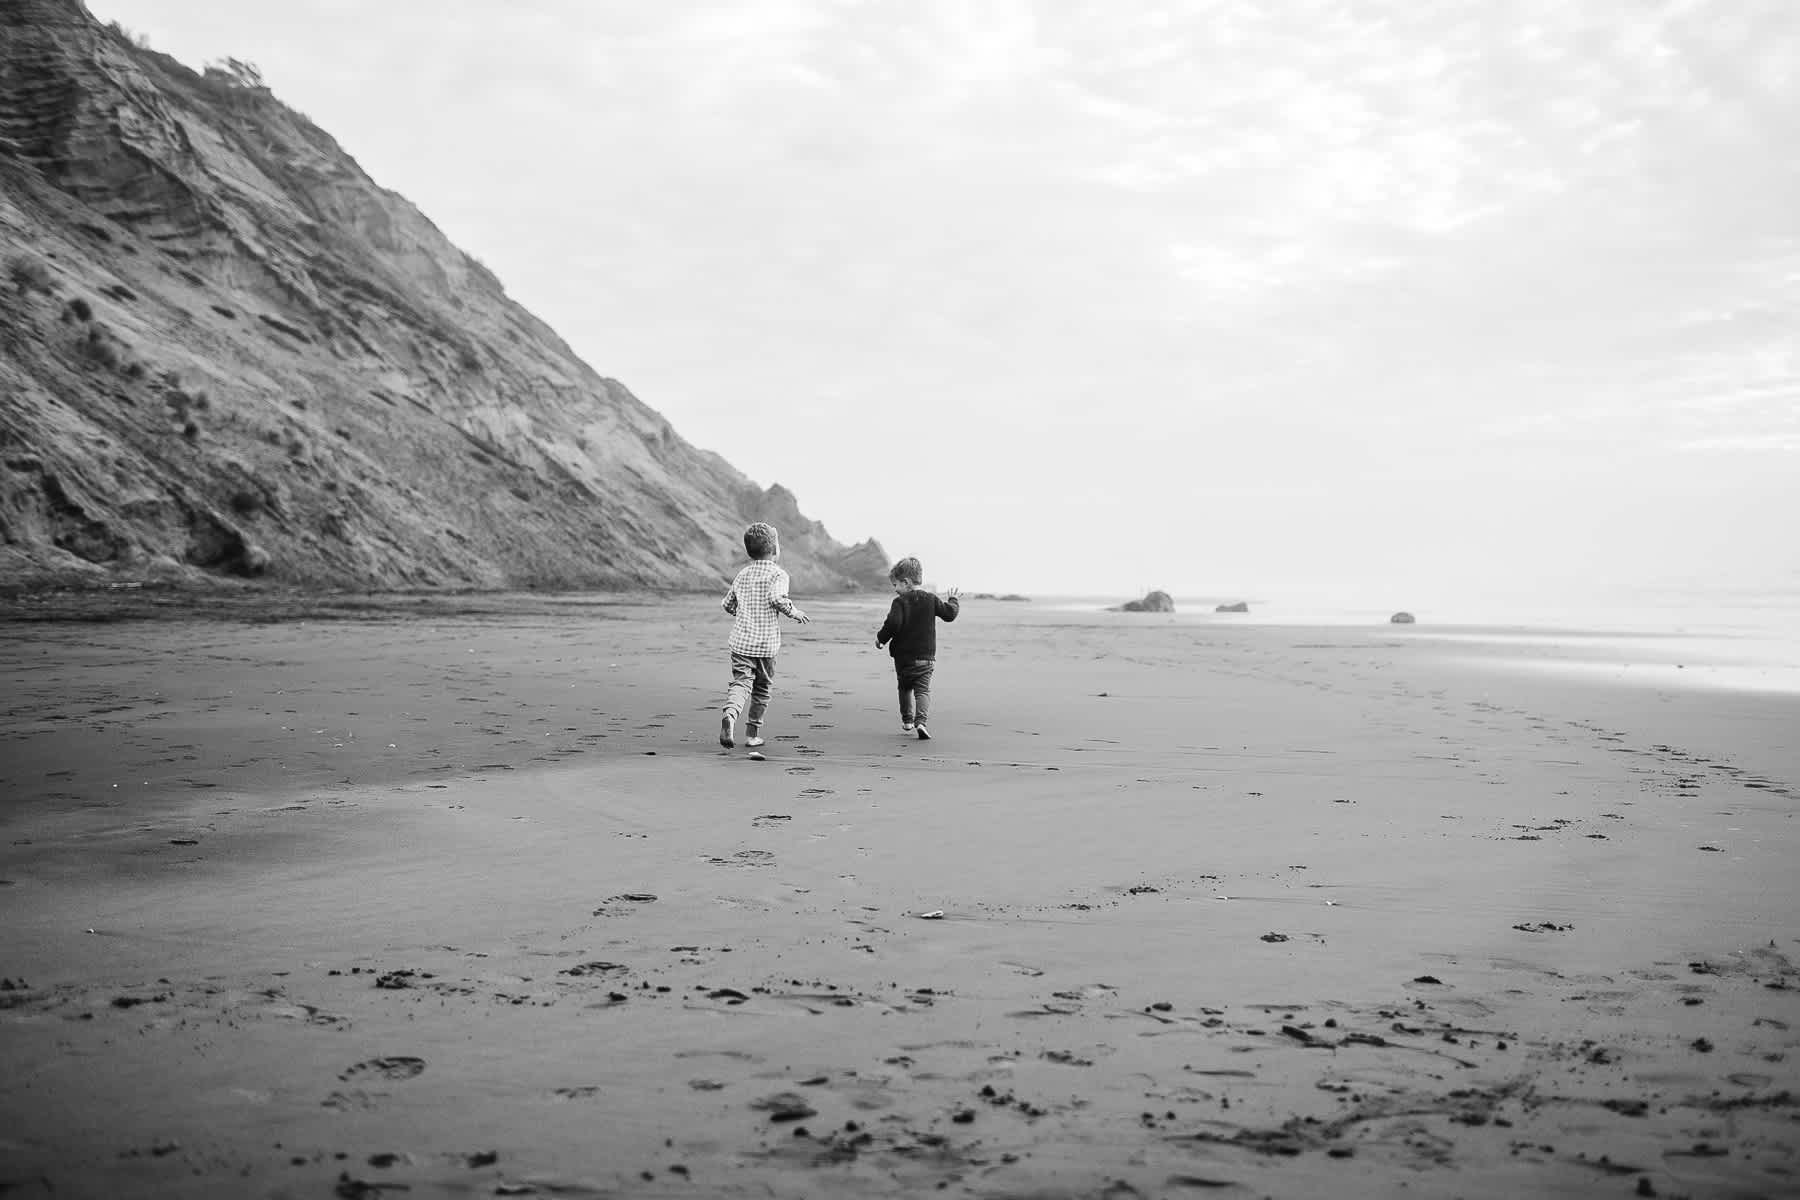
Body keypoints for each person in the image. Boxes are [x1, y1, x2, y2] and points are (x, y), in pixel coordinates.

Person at [719, 522, 809, 751]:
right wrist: (794, 612)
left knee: (741, 683)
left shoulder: (742, 574)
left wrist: (743, 613)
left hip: (741, 644)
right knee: (761, 689)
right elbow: (777, 598)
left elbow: (727, 604)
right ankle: (752, 735)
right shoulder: (778, 574)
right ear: (775, 549)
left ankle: (730, 714)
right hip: (766, 646)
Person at [875, 557, 959, 740]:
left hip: (903, 660)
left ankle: (907, 721)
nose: (895, 589)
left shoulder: (900, 602)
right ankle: (921, 722)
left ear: (906, 582)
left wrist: (881, 639)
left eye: (896, 584)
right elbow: (949, 614)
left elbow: (893, 623)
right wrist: (953, 600)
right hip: (926, 658)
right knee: (923, 691)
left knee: (904, 688)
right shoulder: (931, 599)